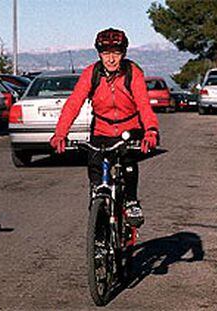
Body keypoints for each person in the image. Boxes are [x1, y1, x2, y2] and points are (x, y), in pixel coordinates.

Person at [50, 28, 159, 227]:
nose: (110, 59)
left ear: (123, 54)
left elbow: (144, 104)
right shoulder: (91, 73)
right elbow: (74, 103)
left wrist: (151, 130)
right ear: (99, 54)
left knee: (127, 164)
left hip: (129, 129)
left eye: (116, 54)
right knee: (95, 169)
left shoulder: (132, 72)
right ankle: (98, 214)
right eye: (106, 54)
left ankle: (131, 201)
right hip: (101, 130)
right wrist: (60, 133)